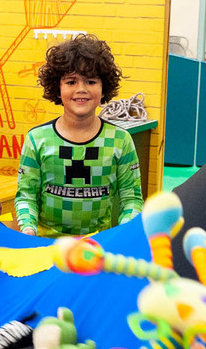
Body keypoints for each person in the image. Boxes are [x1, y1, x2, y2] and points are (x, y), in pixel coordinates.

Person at [15, 33, 144, 237]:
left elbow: (132, 198)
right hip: (46, 248)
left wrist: (122, 233)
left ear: (103, 89)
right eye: (71, 82)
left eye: (91, 81)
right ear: (57, 88)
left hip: (98, 248)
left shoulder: (121, 141)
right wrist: (28, 228)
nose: (81, 89)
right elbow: (26, 196)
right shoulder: (36, 140)